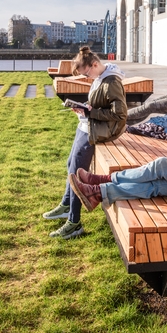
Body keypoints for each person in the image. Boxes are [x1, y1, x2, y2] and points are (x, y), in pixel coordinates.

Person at [42, 46, 127, 238]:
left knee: (76, 175)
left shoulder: (112, 81)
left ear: (95, 64)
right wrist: (85, 109)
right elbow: (101, 104)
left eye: (87, 73)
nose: (87, 78)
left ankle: (74, 222)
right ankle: (66, 205)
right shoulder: (101, 77)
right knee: (70, 164)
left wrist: (90, 112)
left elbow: (120, 114)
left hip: (96, 130)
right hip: (87, 125)